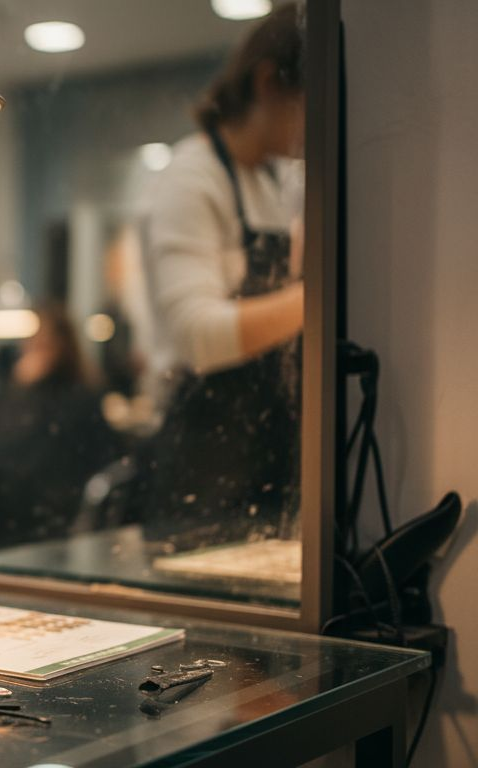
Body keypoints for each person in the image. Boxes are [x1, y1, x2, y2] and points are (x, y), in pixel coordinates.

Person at [140, 4, 304, 549]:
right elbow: (197, 334)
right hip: (202, 469)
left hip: (263, 455)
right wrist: (315, 300)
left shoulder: (272, 182)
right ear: (268, 83)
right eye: (311, 101)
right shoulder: (192, 177)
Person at [0, 304, 121, 552]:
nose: (32, 346)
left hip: (39, 506)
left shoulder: (77, 397)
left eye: (41, 340)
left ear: (61, 345)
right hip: (1, 493)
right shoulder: (14, 392)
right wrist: (19, 388)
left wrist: (23, 391)